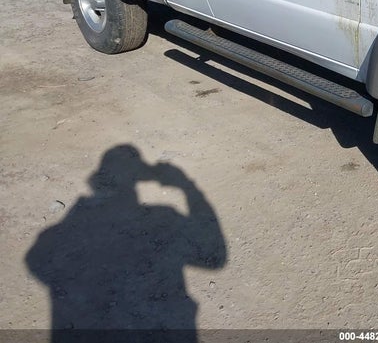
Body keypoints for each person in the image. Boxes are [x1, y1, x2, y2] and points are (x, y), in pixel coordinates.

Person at [26, 145, 227, 342]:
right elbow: (215, 258)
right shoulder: (163, 217)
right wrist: (187, 186)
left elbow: (36, 261)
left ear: (98, 180)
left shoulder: (56, 235)